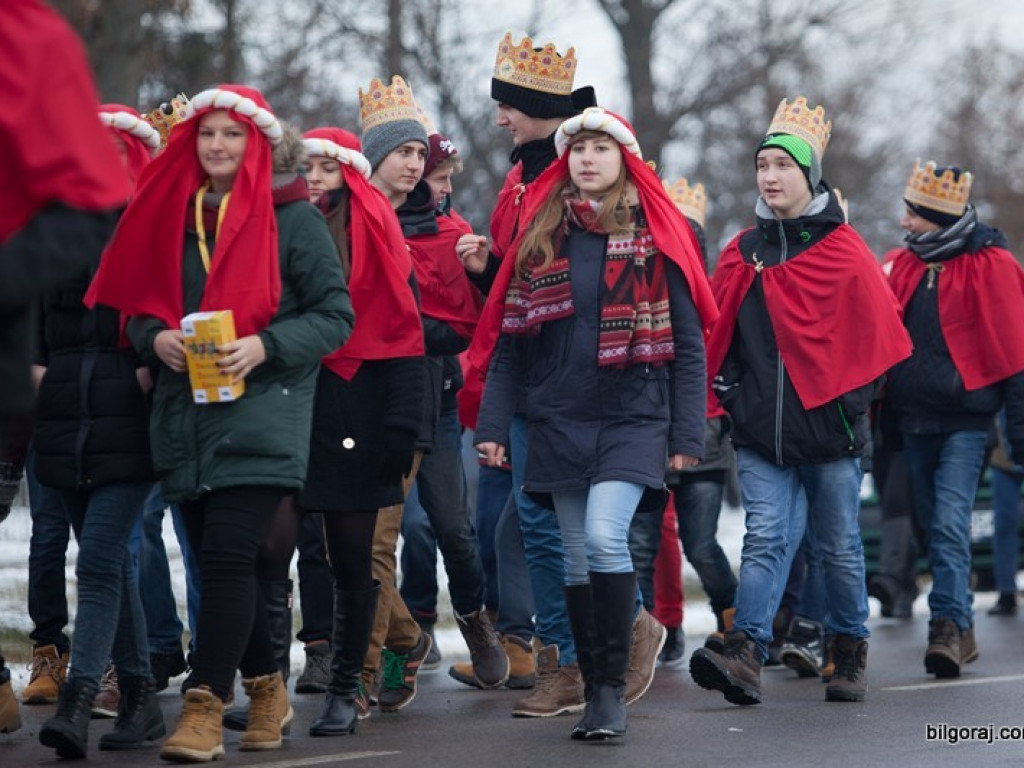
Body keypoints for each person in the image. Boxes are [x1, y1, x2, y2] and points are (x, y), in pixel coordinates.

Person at [85, 85, 353, 762]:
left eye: (232, 135)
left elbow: (333, 316)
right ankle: (268, 690)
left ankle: (204, 705)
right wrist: (155, 340)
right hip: (186, 414)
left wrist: (267, 345)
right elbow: (139, 307)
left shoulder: (294, 220)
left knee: (231, 556)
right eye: (207, 135)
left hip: (266, 412)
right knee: (223, 562)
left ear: (257, 143)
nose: (218, 147)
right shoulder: (171, 217)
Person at [476, 107, 716, 740]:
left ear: (625, 160)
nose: (587, 158)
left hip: (634, 415)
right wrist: (493, 426)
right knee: (577, 559)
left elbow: (690, 347)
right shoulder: (542, 238)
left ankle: (609, 688)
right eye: (577, 148)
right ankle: (593, 684)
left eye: (601, 148)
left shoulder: (659, 237)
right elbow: (509, 346)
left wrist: (688, 435)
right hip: (557, 417)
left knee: (607, 539)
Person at [690, 97, 912, 706]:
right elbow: (720, 333)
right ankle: (747, 651)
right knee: (765, 538)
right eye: (762, 164)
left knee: (838, 548)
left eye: (783, 165)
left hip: (832, 434)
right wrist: (733, 397)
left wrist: (850, 405)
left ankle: (849, 650)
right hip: (762, 432)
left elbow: (883, 338)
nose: (770, 176)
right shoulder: (742, 251)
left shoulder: (844, 249)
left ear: (808, 175)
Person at [458, 32, 613, 720]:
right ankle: (567, 659)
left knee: (566, 530)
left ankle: (595, 651)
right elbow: (520, 284)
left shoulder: (570, 175)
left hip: (572, 380)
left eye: (508, 107)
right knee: (535, 523)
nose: (499, 120)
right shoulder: (521, 176)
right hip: (522, 370)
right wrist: (485, 271)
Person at [31, 104, 161, 759]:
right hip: (63, 428)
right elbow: (28, 332)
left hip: (130, 430)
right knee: (115, 569)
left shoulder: (153, 236)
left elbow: (171, 321)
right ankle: (140, 693)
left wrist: (145, 373)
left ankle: (80, 700)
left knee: (102, 562)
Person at [297, 125, 425, 735]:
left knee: (354, 558)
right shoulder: (288, 226)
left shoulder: (375, 232)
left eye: (326, 168)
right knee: (276, 552)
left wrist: (404, 422)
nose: (315, 179)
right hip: (291, 403)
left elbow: (403, 333)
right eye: (307, 168)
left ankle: (346, 689)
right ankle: (261, 685)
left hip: (358, 408)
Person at [885, 160, 1024, 677]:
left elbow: (1014, 349)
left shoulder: (992, 265)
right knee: (928, 526)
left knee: (947, 522)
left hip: (967, 421)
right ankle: (961, 625)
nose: (904, 220)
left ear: (934, 217)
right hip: (913, 420)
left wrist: (1018, 424)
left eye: (913, 213)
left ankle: (945, 625)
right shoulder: (903, 264)